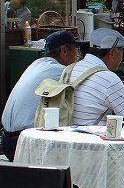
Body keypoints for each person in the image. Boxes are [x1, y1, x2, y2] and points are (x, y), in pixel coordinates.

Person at [1, 31, 87, 160]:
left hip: (6, 139)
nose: (78, 55)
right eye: (76, 50)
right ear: (64, 50)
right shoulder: (61, 71)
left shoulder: (37, 64)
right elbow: (91, 84)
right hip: (22, 142)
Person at [70, 28, 124, 128]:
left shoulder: (70, 69)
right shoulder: (110, 78)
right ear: (112, 53)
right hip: (94, 139)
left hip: (69, 134)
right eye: (122, 51)